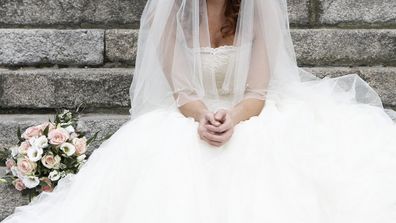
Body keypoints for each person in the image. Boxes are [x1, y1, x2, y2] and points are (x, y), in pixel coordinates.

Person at [2, 0, 396, 222]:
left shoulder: (258, 8)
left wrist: (232, 118)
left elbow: (257, 92)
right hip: (191, 112)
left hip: (250, 111)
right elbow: (181, 91)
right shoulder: (169, 12)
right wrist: (203, 115)